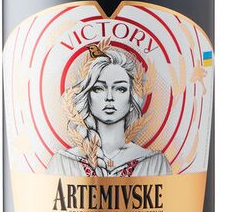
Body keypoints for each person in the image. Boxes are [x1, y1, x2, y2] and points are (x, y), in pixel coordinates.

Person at [47, 45, 171, 177]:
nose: (109, 97)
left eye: (120, 89)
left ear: (132, 99)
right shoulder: (63, 162)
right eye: (99, 88)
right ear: (87, 97)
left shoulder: (155, 163)